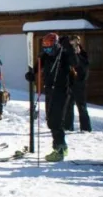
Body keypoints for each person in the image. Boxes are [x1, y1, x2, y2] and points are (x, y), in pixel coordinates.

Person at [26, 33, 80, 161]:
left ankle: (59, 148)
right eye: (45, 48)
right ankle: (61, 146)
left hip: (62, 90)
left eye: (50, 48)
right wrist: (32, 74)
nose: (48, 51)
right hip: (50, 90)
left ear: (56, 45)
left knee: (55, 120)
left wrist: (70, 48)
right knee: (51, 120)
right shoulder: (46, 55)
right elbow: (39, 65)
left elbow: (75, 63)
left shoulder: (64, 54)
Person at [65, 35, 92, 132]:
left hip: (79, 83)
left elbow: (85, 67)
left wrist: (78, 55)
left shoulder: (82, 53)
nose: (74, 44)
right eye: (72, 42)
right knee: (68, 105)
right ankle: (68, 126)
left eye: (76, 42)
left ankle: (85, 128)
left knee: (81, 106)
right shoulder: (68, 53)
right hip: (69, 82)